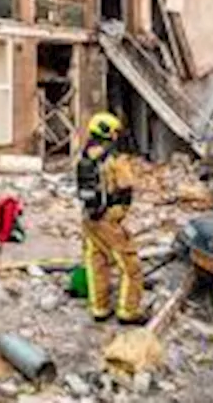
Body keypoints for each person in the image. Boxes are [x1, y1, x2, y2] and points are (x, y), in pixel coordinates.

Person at [76, 111, 146, 324]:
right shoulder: (115, 158)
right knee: (130, 266)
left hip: (89, 217)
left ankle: (99, 308)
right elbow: (126, 184)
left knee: (97, 262)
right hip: (109, 218)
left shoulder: (86, 156)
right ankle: (128, 311)